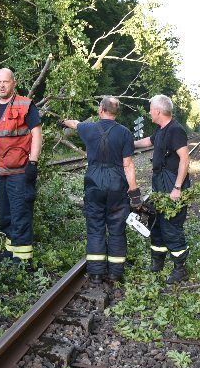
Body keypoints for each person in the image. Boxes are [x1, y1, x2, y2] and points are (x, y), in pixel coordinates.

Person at [60, 97, 141, 284]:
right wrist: (134, 194)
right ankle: (115, 272)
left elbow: (75, 123)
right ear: (115, 112)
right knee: (117, 228)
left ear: (100, 110)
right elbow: (128, 165)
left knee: (95, 227)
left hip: (94, 182)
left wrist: (62, 121)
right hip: (117, 184)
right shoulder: (125, 133)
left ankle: (96, 273)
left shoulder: (89, 129)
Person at [0, 68, 42, 264]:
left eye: (5, 82)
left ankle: (23, 261)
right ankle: (11, 252)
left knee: (20, 213)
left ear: (14, 83)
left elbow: (37, 134)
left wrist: (33, 161)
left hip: (20, 172)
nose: (2, 85)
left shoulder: (25, 105)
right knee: (4, 214)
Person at [133, 94, 191, 284]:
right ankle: (157, 262)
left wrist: (177, 187)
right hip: (160, 182)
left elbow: (184, 158)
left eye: (150, 109)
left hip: (171, 182)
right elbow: (148, 142)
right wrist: (128, 145)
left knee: (171, 224)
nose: (149, 113)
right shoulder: (161, 130)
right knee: (157, 222)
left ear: (158, 111)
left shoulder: (175, 130)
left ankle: (180, 268)